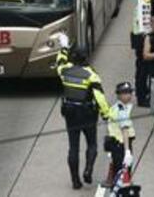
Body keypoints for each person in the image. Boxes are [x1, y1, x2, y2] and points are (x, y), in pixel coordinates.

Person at [54, 37, 111, 189]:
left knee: (73, 147)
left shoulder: (65, 71)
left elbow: (59, 61)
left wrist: (64, 47)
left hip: (70, 113)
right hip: (87, 114)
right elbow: (100, 97)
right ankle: (88, 170)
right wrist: (106, 115)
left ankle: (75, 181)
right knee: (91, 143)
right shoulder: (91, 75)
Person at [103, 81, 137, 186]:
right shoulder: (121, 110)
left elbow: (121, 130)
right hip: (120, 145)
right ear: (119, 95)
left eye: (129, 92)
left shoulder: (118, 107)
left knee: (121, 172)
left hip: (118, 145)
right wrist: (127, 151)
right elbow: (124, 131)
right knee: (122, 172)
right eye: (125, 93)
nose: (129, 95)